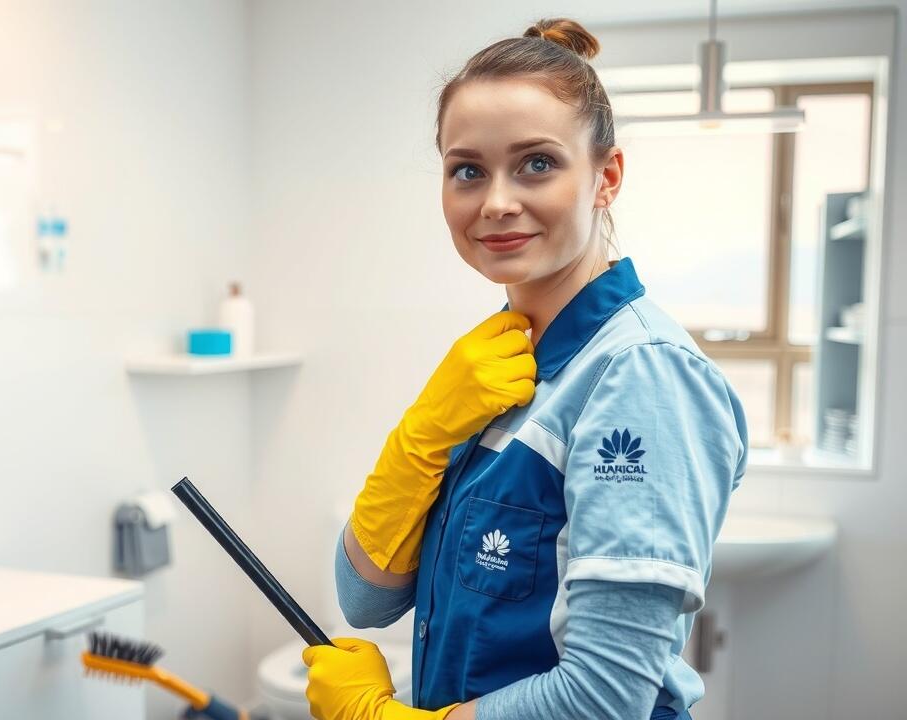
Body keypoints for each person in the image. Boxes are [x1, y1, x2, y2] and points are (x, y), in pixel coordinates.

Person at [301, 17, 749, 720]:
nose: (496, 202)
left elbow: (607, 697)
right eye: (467, 170)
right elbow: (366, 598)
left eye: (537, 162)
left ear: (607, 177)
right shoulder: (496, 368)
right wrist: (425, 429)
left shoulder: (640, 375)